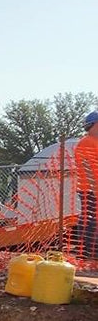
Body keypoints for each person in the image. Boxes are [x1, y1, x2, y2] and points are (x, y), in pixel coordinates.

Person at [76, 111, 98, 259]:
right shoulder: (87, 142)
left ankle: (90, 252)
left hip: (91, 188)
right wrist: (95, 188)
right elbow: (89, 167)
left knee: (91, 218)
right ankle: (89, 253)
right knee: (91, 219)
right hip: (90, 189)